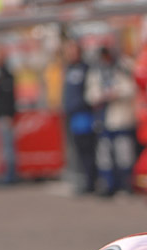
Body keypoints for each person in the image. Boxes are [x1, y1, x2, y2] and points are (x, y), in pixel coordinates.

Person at [86, 46, 137, 196]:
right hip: (102, 119)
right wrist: (101, 95)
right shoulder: (95, 72)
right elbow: (90, 95)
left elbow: (132, 88)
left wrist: (116, 93)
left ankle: (126, 185)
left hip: (121, 117)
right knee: (104, 155)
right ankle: (109, 184)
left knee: (124, 153)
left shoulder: (123, 67)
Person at [61, 39, 96, 195]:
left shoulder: (85, 69)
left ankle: (90, 182)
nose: (70, 54)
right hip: (71, 115)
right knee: (75, 150)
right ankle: (80, 180)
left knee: (86, 149)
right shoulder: (68, 69)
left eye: (73, 51)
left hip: (83, 115)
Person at [0, 47, 17, 184]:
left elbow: (8, 98)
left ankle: (10, 175)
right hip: (0, 116)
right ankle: (5, 174)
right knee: (4, 147)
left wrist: (7, 114)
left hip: (5, 116)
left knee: (8, 147)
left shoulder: (6, 75)